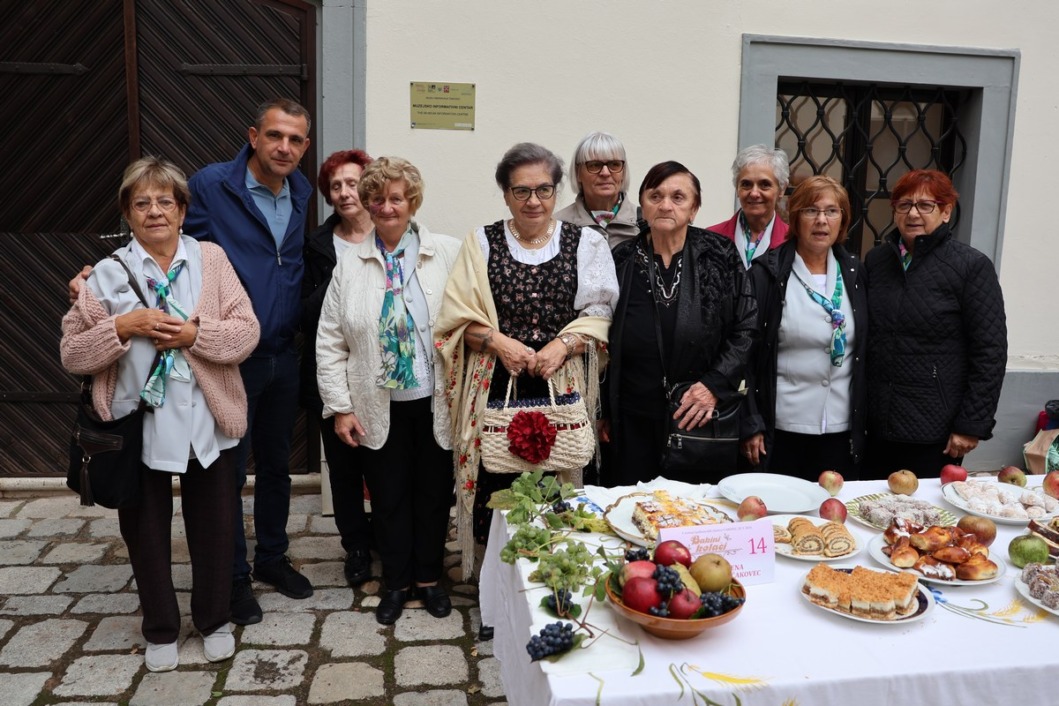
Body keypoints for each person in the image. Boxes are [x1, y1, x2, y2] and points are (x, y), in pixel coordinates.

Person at [60, 157, 260, 672]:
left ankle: (214, 620)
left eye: (165, 201)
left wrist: (196, 336)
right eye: (142, 202)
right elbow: (73, 354)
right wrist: (121, 328)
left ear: (183, 208)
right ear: (127, 213)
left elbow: (246, 331)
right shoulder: (105, 274)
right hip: (136, 423)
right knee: (145, 531)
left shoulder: (210, 260)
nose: (155, 211)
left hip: (206, 420)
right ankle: (160, 629)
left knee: (215, 528)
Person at [436, 142, 618, 582]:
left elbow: (600, 314)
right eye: (521, 192)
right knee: (496, 483)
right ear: (505, 194)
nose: (533, 201)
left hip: (560, 381)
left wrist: (563, 344)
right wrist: (499, 342)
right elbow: (456, 323)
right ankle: (495, 584)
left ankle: (552, 577)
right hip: (497, 385)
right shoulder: (480, 242)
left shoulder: (587, 242)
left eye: (543, 190)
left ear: (557, 192)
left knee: (558, 483)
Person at [183, 98, 315, 623]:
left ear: (305, 147)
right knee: (229, 473)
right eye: (276, 136)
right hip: (231, 358)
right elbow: (174, 251)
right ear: (253, 135)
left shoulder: (302, 194)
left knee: (278, 466)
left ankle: (271, 559)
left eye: (296, 140)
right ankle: (233, 578)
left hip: (284, 353)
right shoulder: (213, 186)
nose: (285, 147)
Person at [316, 157, 461, 625]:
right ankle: (396, 584)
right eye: (377, 198)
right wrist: (339, 407)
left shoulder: (447, 254)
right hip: (376, 405)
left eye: (396, 197)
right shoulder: (350, 265)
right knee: (388, 496)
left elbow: (470, 323)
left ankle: (429, 580)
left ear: (411, 202)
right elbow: (330, 340)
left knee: (434, 494)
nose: (386, 206)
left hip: (436, 399)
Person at [603, 161, 757, 486]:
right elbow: (602, 335)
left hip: (698, 418)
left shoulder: (720, 254)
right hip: (633, 419)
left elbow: (745, 327)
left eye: (678, 197)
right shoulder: (620, 259)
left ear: (694, 208)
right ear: (642, 204)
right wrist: (603, 408)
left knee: (693, 521)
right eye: (655, 196)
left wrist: (714, 385)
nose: (665, 205)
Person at [864, 169, 1007, 477]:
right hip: (874, 424)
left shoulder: (970, 266)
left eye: (925, 205)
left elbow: (990, 350)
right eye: (904, 205)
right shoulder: (877, 262)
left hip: (935, 431)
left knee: (928, 521)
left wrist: (971, 425)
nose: (913, 213)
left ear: (945, 212)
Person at [741, 176, 867, 480]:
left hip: (840, 429)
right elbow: (745, 353)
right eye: (811, 211)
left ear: (843, 220)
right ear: (795, 219)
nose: (822, 221)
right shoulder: (767, 273)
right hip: (783, 429)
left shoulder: (855, 272)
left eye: (832, 212)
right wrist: (751, 422)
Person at [301, 149, 375, 587]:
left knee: (388, 466)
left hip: (386, 377)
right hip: (330, 374)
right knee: (345, 471)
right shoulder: (316, 245)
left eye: (353, 183)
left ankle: (388, 536)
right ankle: (357, 548)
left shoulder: (394, 236)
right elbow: (307, 312)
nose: (345, 193)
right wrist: (346, 273)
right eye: (336, 186)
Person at [707, 144, 791, 270]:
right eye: (746, 184)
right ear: (737, 188)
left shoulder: (793, 242)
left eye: (764, 184)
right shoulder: (710, 239)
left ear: (781, 190)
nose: (754, 193)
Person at [555, 131, 640, 249]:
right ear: (578, 173)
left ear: (623, 172)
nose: (605, 173)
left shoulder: (645, 222)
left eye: (614, 164)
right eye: (594, 165)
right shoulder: (557, 226)